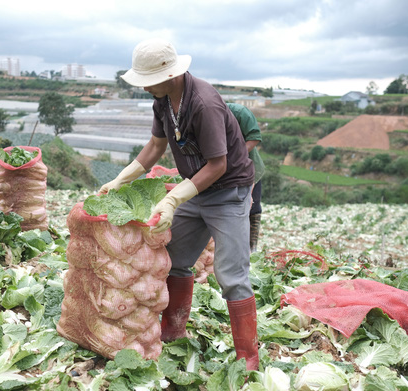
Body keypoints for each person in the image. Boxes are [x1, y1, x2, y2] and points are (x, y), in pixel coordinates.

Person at [99, 38, 259, 370]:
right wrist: (121, 179)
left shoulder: (204, 104)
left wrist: (172, 199)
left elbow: (218, 165)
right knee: (174, 259)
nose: (143, 87)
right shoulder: (163, 99)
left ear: (170, 75)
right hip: (196, 191)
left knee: (231, 274)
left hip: (229, 193)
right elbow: (156, 145)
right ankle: (173, 332)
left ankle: (248, 359)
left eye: (147, 80)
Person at [226, 103, 265, 253]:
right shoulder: (203, 116)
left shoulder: (238, 112)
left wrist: (234, 156)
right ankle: (234, 248)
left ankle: (251, 248)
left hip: (248, 166)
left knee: (253, 207)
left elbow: (254, 138)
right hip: (223, 170)